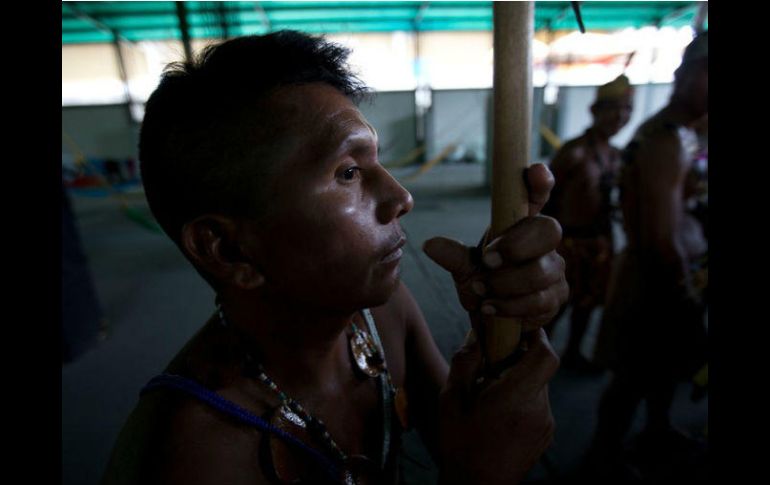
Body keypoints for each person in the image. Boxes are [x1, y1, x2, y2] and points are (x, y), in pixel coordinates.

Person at [101, 31, 568, 485]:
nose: (401, 197)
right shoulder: (195, 456)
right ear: (228, 248)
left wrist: (498, 335)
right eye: (348, 172)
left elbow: (458, 434)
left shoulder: (382, 314)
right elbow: (473, 464)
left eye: (376, 162)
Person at [588, 31, 709, 480]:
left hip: (666, 272)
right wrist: (687, 296)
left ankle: (657, 430)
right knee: (632, 375)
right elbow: (661, 236)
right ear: (697, 75)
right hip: (657, 277)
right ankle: (602, 457)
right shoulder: (667, 141)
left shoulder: (680, 133)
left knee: (659, 370)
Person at [542, 74, 633, 371]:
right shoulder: (574, 152)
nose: (620, 116)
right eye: (612, 108)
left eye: (626, 109)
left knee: (589, 303)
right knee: (557, 305)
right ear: (595, 111)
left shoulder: (616, 155)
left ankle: (573, 353)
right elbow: (545, 204)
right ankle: (535, 358)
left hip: (601, 242)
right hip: (570, 243)